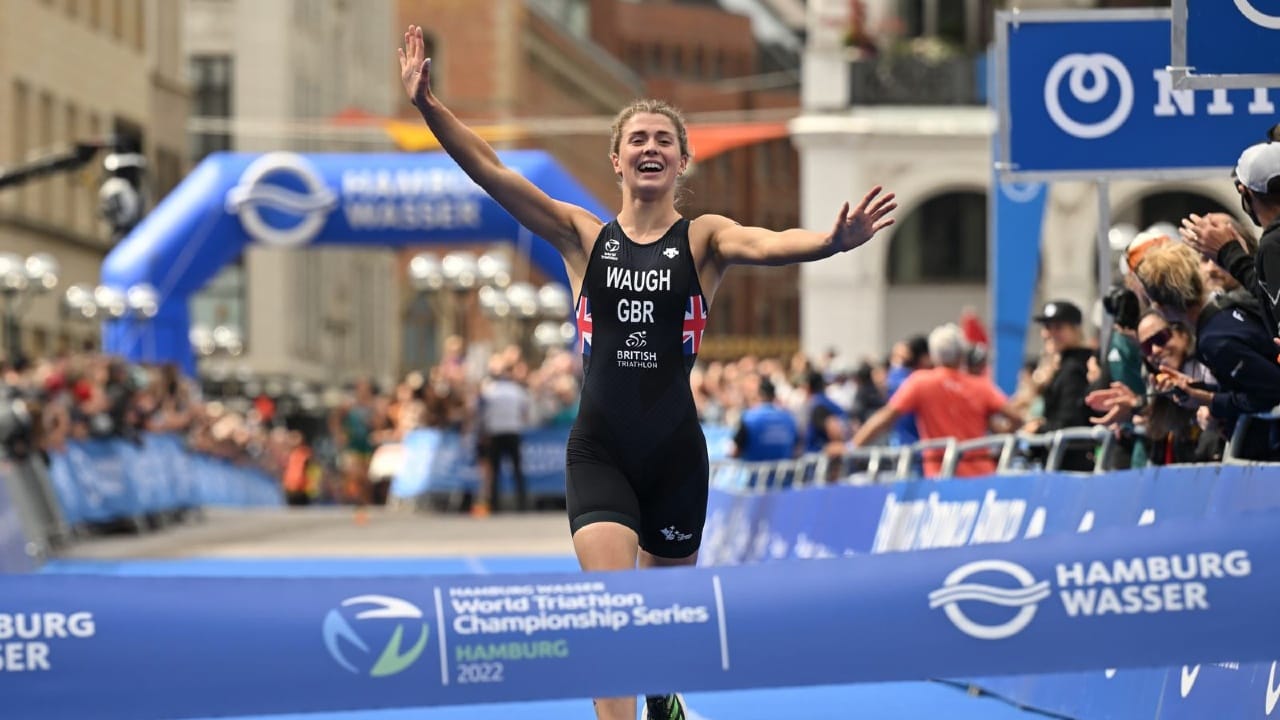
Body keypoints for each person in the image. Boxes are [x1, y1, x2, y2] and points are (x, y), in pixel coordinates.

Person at [397, 26, 897, 720]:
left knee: (659, 626)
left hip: (675, 458)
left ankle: (662, 692)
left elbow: (770, 242)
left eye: (664, 139)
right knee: (612, 613)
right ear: (617, 162)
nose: (651, 147)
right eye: (639, 139)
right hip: (599, 451)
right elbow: (493, 171)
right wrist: (429, 106)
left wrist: (830, 242)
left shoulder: (704, 237)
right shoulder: (582, 237)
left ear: (682, 161)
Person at [1134, 243, 1280, 460]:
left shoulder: (1214, 340)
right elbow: (1251, 379)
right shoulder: (1227, 305)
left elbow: (1271, 389)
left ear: (1161, 305)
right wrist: (1197, 390)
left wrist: (1210, 400)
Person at [851, 323, 1022, 478]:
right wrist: (1001, 439)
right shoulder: (981, 386)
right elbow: (1016, 417)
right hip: (981, 477)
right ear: (962, 354)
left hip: (941, 479)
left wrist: (852, 447)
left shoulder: (920, 382)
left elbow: (885, 417)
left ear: (934, 355)